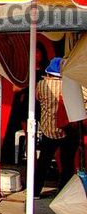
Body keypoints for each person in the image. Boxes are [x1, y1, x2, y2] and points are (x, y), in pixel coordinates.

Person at [34, 58, 78, 198]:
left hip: (48, 130)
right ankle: (63, 192)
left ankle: (35, 191)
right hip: (67, 130)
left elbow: (38, 98)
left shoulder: (42, 84)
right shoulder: (71, 85)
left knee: (43, 163)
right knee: (67, 164)